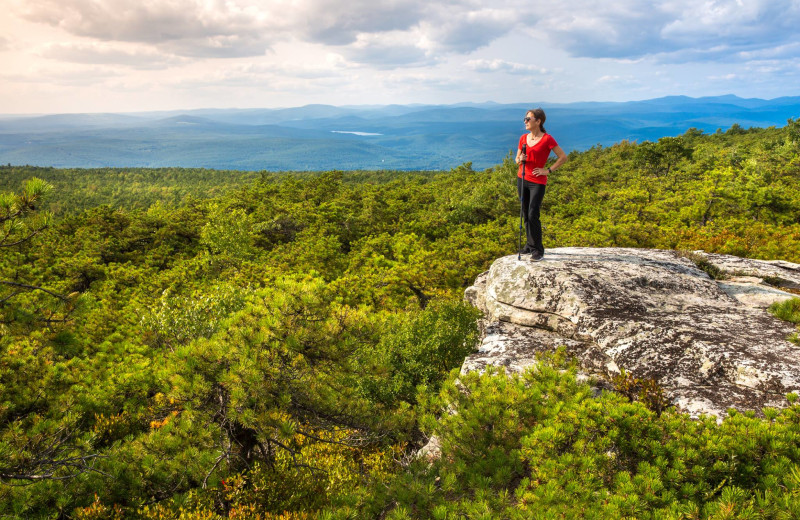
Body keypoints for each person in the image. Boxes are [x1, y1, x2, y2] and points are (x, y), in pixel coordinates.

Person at [515, 108, 567, 261]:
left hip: (537, 181)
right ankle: (529, 245)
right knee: (525, 212)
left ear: (538, 121)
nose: (525, 121)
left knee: (533, 214)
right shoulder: (523, 138)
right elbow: (516, 159)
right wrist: (520, 159)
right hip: (522, 178)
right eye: (525, 118)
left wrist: (548, 170)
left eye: (528, 119)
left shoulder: (547, 139)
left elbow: (563, 157)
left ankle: (538, 250)